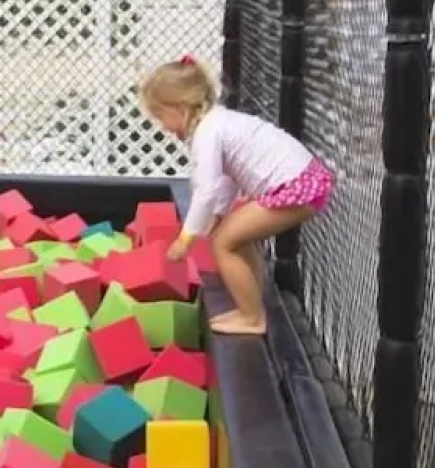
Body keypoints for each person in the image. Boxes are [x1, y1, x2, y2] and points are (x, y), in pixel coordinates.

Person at [139, 55, 335, 336]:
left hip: (294, 186)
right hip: (303, 181)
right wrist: (220, 214)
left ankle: (252, 317)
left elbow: (206, 190)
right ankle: (252, 303)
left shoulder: (208, 132)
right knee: (235, 237)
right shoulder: (218, 123)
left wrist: (186, 238)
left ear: (181, 109)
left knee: (223, 243)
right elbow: (227, 181)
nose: (163, 127)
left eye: (161, 117)